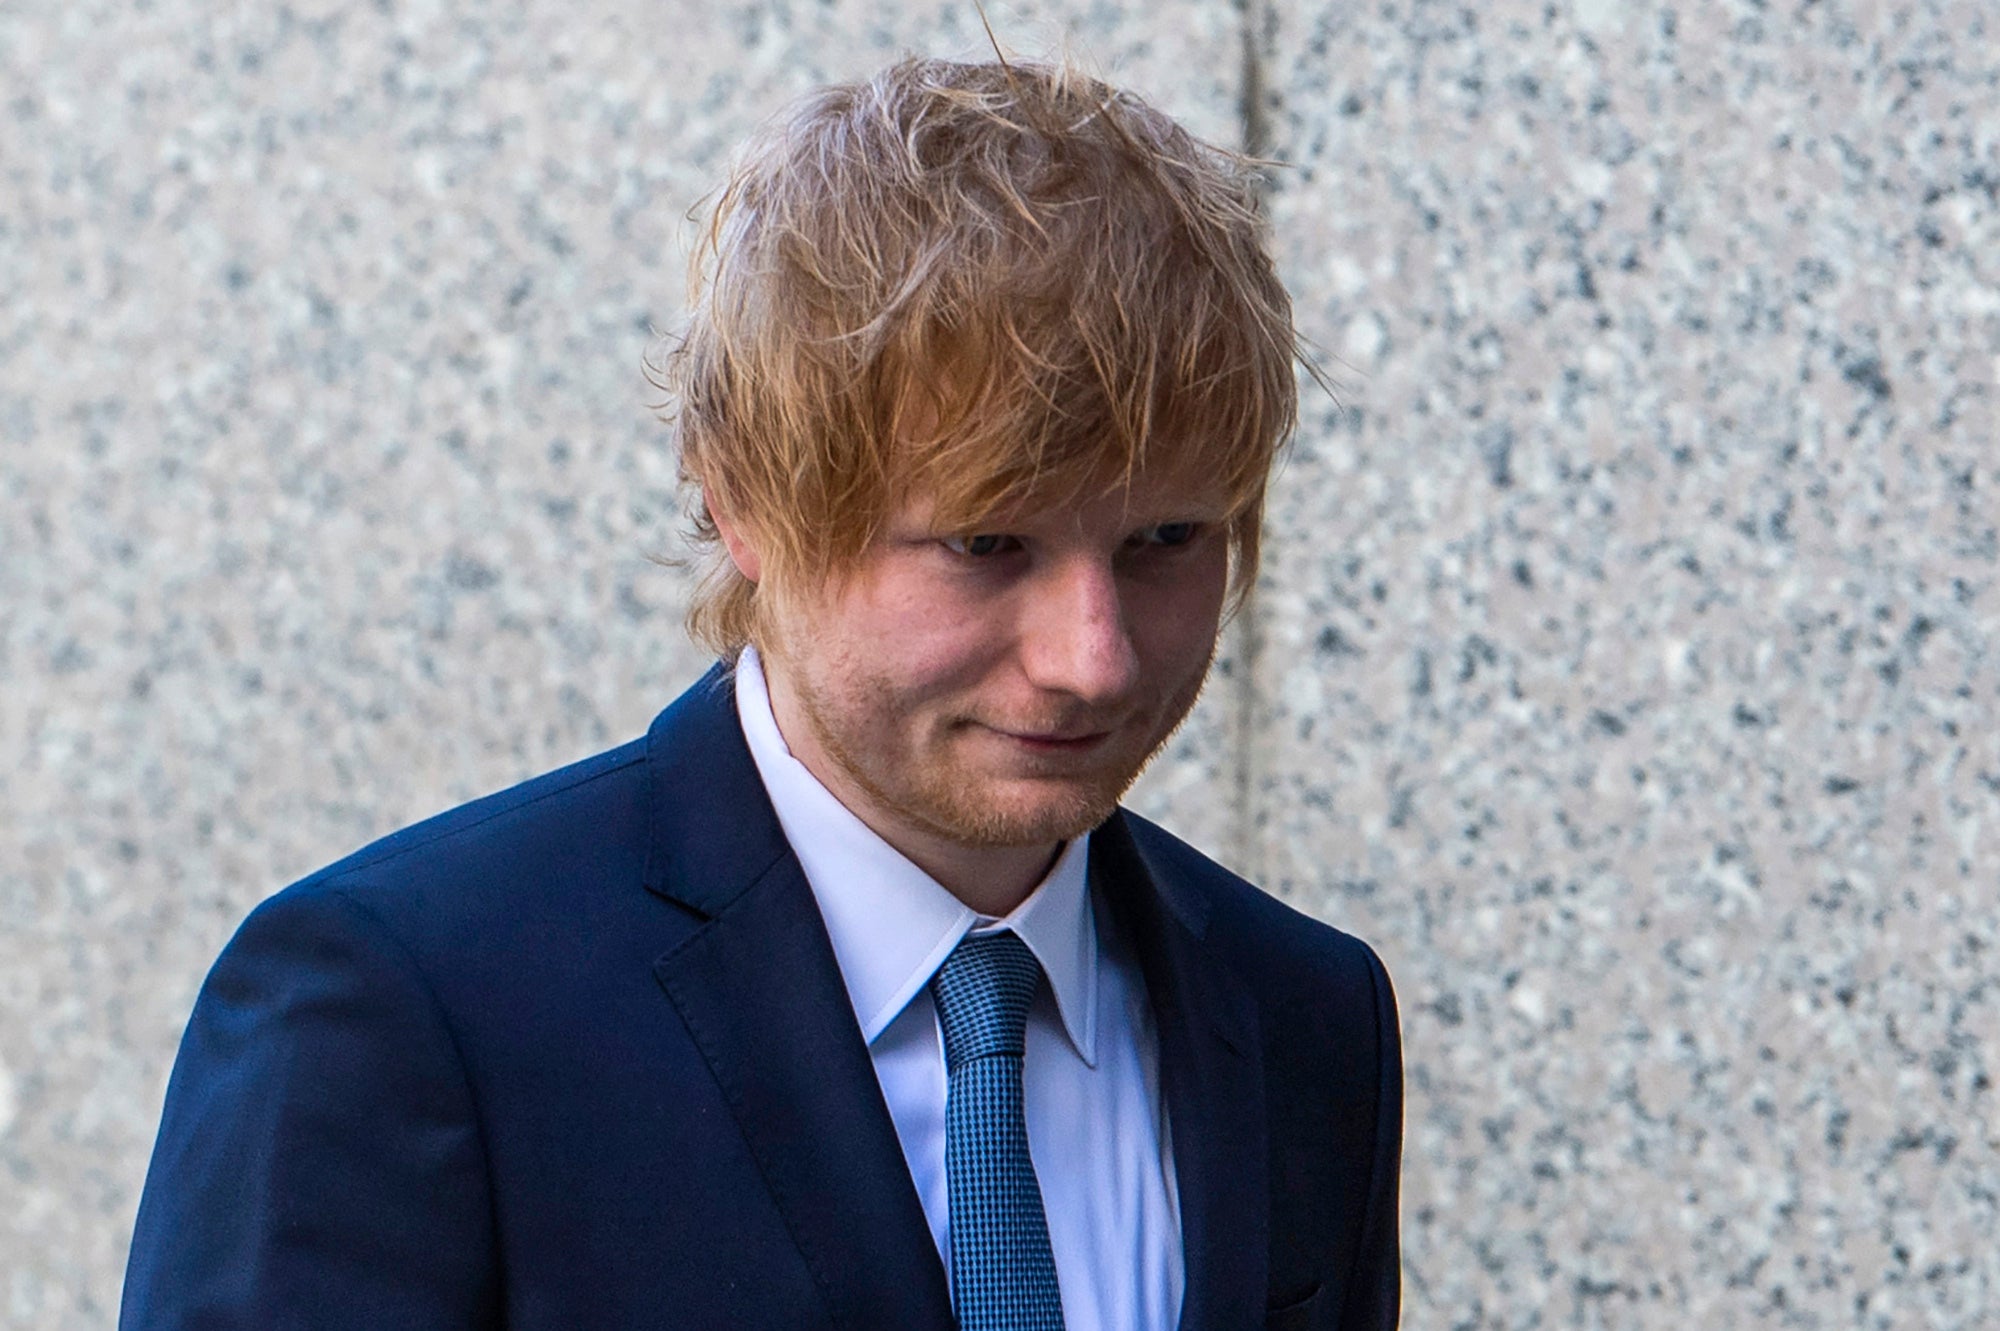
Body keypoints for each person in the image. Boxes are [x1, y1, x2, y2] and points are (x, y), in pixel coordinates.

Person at [120, 56, 1402, 1331]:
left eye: (1167, 540)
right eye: (985, 544)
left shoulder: (1305, 1017)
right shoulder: (401, 1006)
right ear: (743, 502)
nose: (1095, 656)